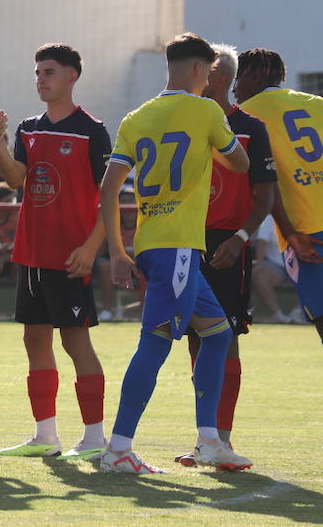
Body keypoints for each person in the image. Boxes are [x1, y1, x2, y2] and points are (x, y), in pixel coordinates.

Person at [97, 33, 252, 474]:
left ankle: (209, 441)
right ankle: (118, 448)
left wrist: (118, 250)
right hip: (179, 250)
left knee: (219, 333)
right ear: (203, 71)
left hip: (152, 245)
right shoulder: (205, 110)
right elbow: (239, 164)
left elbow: (109, 189)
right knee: (155, 342)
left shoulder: (137, 116)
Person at [0, 43, 111, 460]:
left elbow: (109, 198)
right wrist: (0, 143)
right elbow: (17, 179)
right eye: (37, 72)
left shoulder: (92, 130)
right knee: (34, 339)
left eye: (49, 72)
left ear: (72, 76)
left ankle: (94, 439)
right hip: (32, 254)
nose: (41, 78)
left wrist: (93, 247)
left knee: (76, 343)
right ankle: (45, 436)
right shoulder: (28, 127)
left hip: (71, 256)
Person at [171, 44, 276, 465]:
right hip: (183, 241)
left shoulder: (250, 127)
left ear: (217, 76)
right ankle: (206, 439)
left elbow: (265, 195)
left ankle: (224, 440)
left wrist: (240, 238)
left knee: (226, 339)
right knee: (195, 340)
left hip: (227, 245)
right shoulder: (181, 121)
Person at [235, 48, 323, 342]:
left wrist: (289, 231)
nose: (235, 89)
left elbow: (265, 186)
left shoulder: (246, 115)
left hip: (307, 234)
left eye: (238, 79)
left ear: (256, 75)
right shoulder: (318, 104)